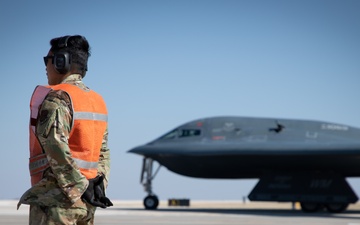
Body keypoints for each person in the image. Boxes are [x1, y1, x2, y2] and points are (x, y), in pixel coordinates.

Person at [18, 35, 113, 224]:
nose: (45, 66)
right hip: (85, 203)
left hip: (57, 201)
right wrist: (95, 186)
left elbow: (55, 145)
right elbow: (103, 152)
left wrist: (78, 187)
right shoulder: (97, 101)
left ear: (62, 62)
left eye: (48, 60)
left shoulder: (59, 98)